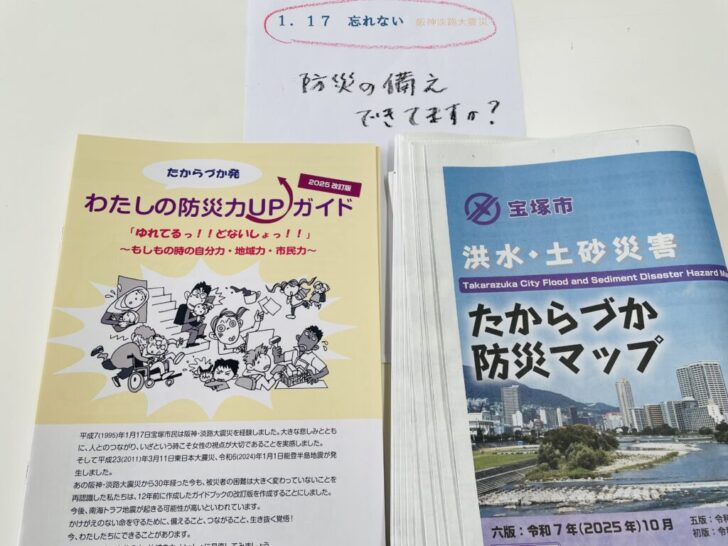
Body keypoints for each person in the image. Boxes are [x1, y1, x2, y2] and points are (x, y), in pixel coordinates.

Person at [91, 325, 155, 387]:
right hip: (117, 362)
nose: (147, 343)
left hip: (120, 362)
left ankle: (104, 356)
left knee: (131, 368)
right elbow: (139, 357)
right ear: (139, 338)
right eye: (146, 340)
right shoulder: (134, 346)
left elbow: (139, 357)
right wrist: (148, 360)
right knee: (127, 369)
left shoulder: (136, 346)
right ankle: (102, 354)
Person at [174, 281, 213, 346]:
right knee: (194, 332)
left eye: (201, 299)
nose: (196, 301)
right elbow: (186, 321)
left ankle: (199, 335)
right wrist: (196, 318)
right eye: (195, 296)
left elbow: (201, 315)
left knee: (203, 325)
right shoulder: (187, 309)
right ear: (187, 295)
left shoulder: (197, 310)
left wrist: (203, 315)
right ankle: (190, 343)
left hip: (193, 326)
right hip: (186, 327)